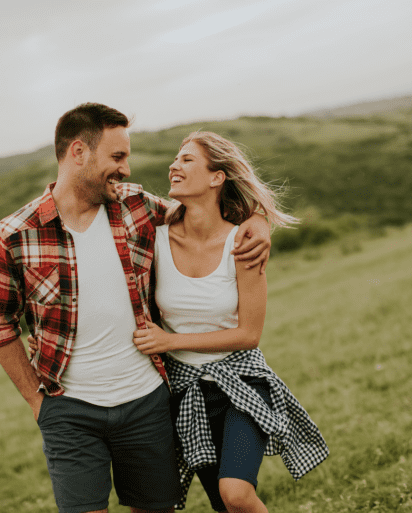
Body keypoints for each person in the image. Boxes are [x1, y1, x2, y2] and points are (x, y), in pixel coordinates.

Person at [0, 103, 272, 513]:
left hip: (147, 402)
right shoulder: (13, 236)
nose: (127, 170)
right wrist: (37, 402)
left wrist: (258, 221)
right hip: (69, 410)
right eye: (117, 157)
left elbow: (209, 214)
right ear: (79, 153)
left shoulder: (135, 207)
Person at [130, 132, 329, 512]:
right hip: (187, 395)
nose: (174, 165)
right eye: (176, 158)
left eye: (187, 159)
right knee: (225, 506)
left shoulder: (243, 243)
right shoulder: (152, 237)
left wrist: (169, 342)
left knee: (236, 493)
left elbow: (249, 335)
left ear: (216, 177)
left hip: (242, 383)